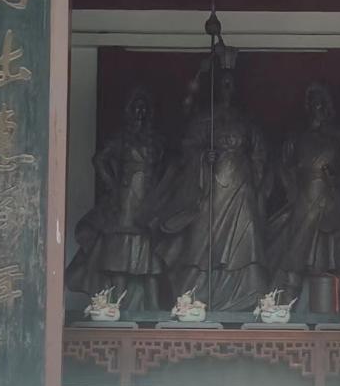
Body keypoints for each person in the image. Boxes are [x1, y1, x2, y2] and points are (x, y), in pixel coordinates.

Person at [155, 43, 270, 312]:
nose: (227, 88)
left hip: (241, 189)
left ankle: (246, 296)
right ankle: (196, 296)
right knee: (202, 241)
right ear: (217, 88)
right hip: (209, 189)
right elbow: (186, 148)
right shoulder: (204, 119)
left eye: (231, 84)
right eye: (223, 84)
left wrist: (254, 180)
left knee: (245, 241)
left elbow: (260, 154)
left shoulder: (246, 121)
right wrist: (202, 158)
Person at [267, 82, 340, 312]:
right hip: (304, 202)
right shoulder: (297, 138)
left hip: (333, 202)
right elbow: (283, 167)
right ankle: (285, 306)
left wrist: (339, 179)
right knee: (296, 255)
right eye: (316, 103)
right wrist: (292, 189)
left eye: (324, 103)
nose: (320, 108)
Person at [66, 85, 166, 310]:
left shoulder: (154, 141)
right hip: (127, 196)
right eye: (136, 107)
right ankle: (116, 307)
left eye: (144, 108)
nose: (140, 112)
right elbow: (99, 159)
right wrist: (112, 184)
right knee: (121, 250)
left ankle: (153, 309)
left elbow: (160, 168)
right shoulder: (122, 139)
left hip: (148, 196)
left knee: (149, 251)